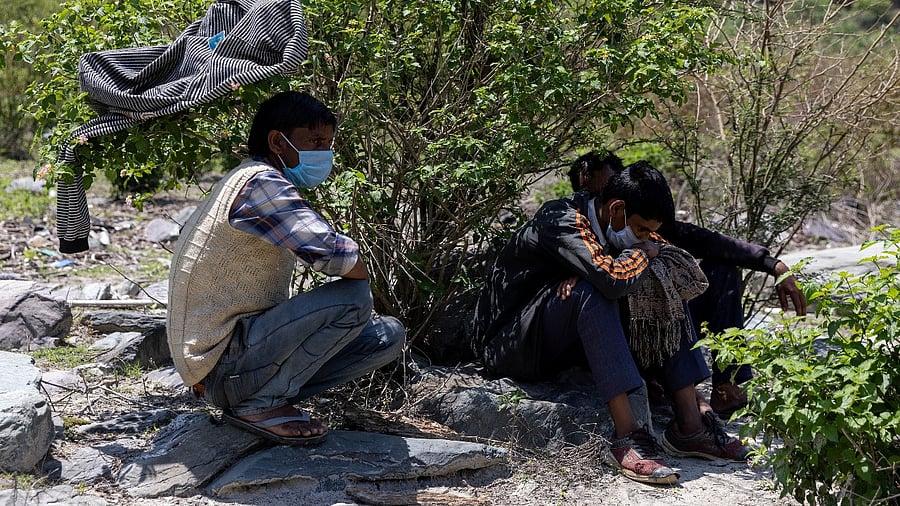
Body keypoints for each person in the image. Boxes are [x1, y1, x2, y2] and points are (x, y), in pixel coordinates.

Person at [473, 161, 749, 485]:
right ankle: (626, 435)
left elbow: (673, 259)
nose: (646, 237)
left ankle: (690, 424)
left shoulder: (625, 222)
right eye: (642, 229)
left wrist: (636, 255)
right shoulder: (561, 217)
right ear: (616, 208)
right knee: (595, 289)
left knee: (659, 280)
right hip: (514, 340)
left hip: (564, 335)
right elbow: (612, 279)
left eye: (649, 231)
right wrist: (640, 256)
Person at [167, 91, 405, 445]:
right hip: (220, 364)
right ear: (278, 141)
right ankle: (260, 404)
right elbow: (335, 256)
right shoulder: (261, 182)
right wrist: (362, 272)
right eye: (315, 141)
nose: (324, 153)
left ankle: (262, 397)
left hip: (224, 365)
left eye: (328, 144)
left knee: (387, 336)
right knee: (354, 299)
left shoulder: (246, 177)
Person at [567, 150, 808, 415]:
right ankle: (672, 391)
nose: (610, 199)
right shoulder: (572, 228)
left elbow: (708, 241)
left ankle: (727, 385)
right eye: (597, 192)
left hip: (663, 327)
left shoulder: (643, 219)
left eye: (613, 187)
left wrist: (774, 265)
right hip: (615, 337)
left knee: (721, 271)